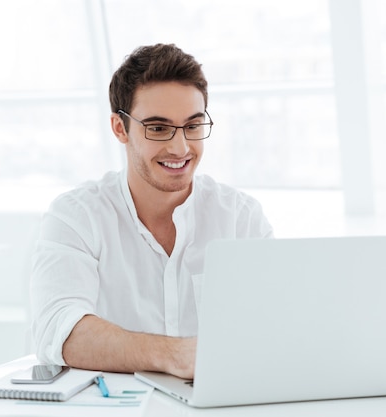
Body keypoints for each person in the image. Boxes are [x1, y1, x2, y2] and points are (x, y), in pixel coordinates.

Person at [30, 43, 273, 380]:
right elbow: (59, 329)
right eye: (158, 128)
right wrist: (173, 355)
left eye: (192, 126)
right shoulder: (76, 217)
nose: (180, 148)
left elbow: (271, 329)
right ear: (120, 128)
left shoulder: (241, 218)